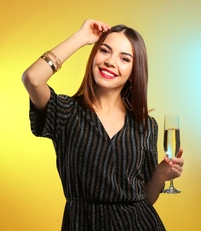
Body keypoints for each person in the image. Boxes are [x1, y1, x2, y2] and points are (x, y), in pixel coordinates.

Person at [22, 19, 184, 230]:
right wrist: (81, 37)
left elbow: (147, 199)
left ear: (134, 72)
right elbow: (33, 78)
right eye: (105, 51)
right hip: (82, 223)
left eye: (124, 58)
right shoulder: (67, 112)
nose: (110, 61)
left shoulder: (145, 126)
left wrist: (160, 176)